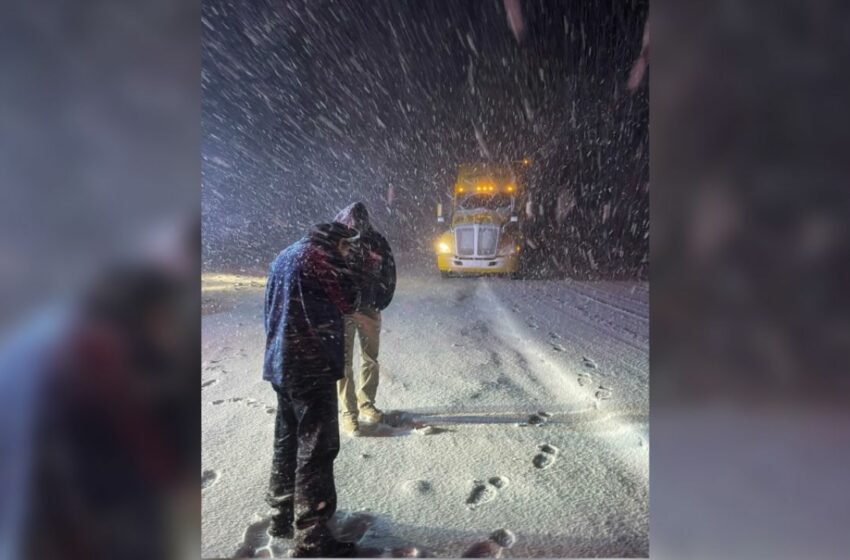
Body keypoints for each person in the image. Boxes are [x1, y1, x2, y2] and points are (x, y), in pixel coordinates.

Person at [263, 222, 361, 557]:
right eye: (347, 248)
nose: (348, 253)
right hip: (311, 365)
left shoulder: (285, 254)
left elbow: (270, 309)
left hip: (280, 363)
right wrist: (350, 268)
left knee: (287, 441)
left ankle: (281, 514)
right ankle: (313, 535)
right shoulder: (322, 258)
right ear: (338, 242)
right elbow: (350, 301)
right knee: (317, 449)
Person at [333, 202, 396, 436]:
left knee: (370, 358)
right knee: (344, 362)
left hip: (369, 308)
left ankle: (366, 403)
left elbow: (389, 272)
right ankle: (349, 413)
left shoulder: (377, 241)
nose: (356, 225)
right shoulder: (338, 243)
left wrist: (382, 300)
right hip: (344, 310)